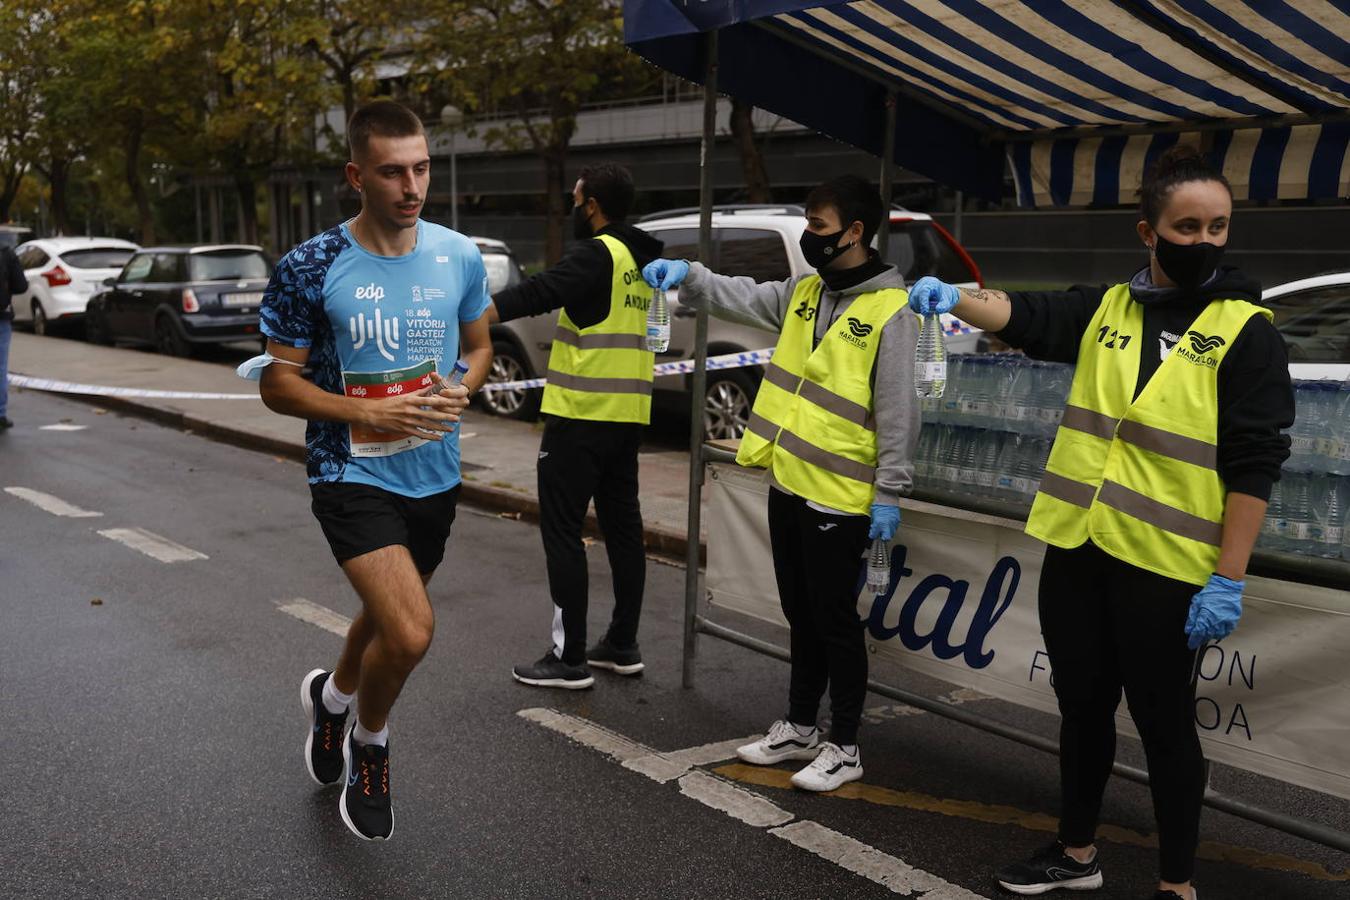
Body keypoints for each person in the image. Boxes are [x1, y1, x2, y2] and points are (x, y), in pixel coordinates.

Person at [908, 146, 1293, 900]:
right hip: (1080, 551)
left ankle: (1177, 885)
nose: (1206, 242)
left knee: (1164, 727)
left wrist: (1229, 578)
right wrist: (950, 294)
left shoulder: (1247, 330)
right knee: (1082, 709)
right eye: (1188, 226)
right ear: (1147, 232)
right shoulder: (1108, 309)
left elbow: (1256, 463)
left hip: (1166, 568)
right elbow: (1024, 314)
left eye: (1219, 227)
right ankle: (1076, 853)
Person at [256, 100, 492, 841]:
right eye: (393, 172)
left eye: (420, 167)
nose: (412, 185)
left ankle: (331, 698)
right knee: (413, 632)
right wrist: (364, 414)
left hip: (435, 474)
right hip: (347, 471)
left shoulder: (458, 254)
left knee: (390, 617)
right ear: (358, 175)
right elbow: (275, 382)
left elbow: (479, 345)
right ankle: (370, 740)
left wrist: (464, 383)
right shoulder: (310, 266)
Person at [644, 175, 919, 792]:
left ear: (854, 233)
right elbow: (738, 293)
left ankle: (844, 744)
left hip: (843, 496)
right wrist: (687, 273)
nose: (808, 236)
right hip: (790, 481)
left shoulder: (891, 310)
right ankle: (799, 727)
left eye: (817, 227)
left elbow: (901, 410)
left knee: (834, 619)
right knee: (800, 612)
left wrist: (890, 494)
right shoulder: (805, 290)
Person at [487, 163, 664, 690]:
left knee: (563, 531)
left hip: (580, 417)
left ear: (591, 204)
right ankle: (622, 642)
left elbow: (539, 291)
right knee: (624, 530)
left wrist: (471, 312)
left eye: (576, 197)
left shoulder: (597, 253)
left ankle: (569, 659)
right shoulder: (642, 259)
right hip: (626, 418)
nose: (572, 203)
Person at [0, 241, 27, 430]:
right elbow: (21, 286)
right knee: (0, 367)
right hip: (1, 316)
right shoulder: (6, 252)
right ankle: (0, 414)